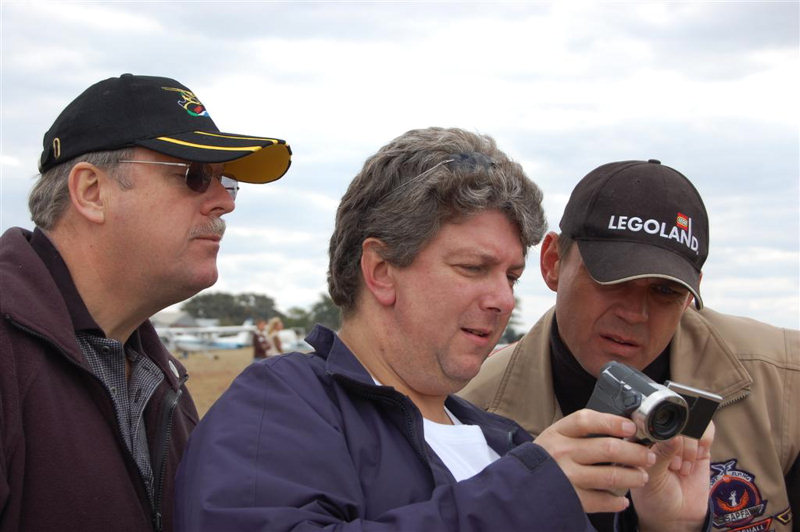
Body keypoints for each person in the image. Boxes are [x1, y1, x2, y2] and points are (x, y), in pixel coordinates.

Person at [175, 129, 712, 531]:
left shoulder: (503, 441)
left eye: (511, 276)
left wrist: (666, 523)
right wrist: (526, 495)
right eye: (473, 268)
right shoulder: (282, 405)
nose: (503, 299)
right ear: (381, 271)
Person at [0, 74, 291, 532]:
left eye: (226, 182)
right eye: (195, 176)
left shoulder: (161, 380)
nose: (224, 203)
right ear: (92, 192)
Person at [460, 159, 799, 531]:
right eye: (612, 280)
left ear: (690, 296)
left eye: (665, 291)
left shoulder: (785, 384)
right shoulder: (465, 412)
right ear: (553, 262)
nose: (635, 313)